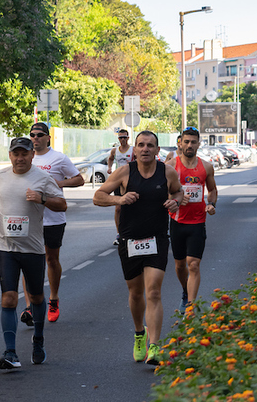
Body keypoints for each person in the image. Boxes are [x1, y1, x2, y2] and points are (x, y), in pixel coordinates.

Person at [93, 130, 184, 367]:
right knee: (135, 293)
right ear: (134, 150)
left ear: (157, 150)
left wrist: (175, 201)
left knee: (153, 290)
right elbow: (98, 196)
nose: (145, 149)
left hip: (157, 238)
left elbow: (178, 191)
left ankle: (155, 345)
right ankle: (139, 333)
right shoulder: (125, 172)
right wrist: (119, 199)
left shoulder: (167, 172)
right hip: (130, 240)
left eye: (150, 145)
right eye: (141, 145)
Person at [0, 136, 66, 370]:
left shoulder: (43, 178)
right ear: (10, 155)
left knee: (37, 296)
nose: (20, 158)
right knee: (8, 298)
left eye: (24, 153)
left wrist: (42, 198)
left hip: (33, 249)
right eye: (16, 153)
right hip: (6, 248)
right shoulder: (1, 175)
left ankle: (38, 340)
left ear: (32, 155)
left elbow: (62, 205)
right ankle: (10, 352)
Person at [19, 121, 84, 326]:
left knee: (51, 259)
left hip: (53, 218)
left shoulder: (58, 158)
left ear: (48, 137)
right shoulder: (24, 157)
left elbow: (79, 179)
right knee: (26, 261)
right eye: (32, 135)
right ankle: (29, 305)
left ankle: (53, 299)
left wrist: (59, 183)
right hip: (28, 218)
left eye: (39, 135)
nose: (35, 138)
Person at [169, 127, 217, 313]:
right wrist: (176, 199)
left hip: (197, 222)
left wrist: (212, 204)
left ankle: (190, 305)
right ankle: (184, 290)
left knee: (194, 264)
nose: (189, 145)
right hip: (177, 222)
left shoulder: (206, 167)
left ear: (199, 144)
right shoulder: (171, 165)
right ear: (180, 142)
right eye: (186, 141)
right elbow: (163, 191)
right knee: (180, 265)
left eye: (193, 142)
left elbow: (212, 190)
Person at [108, 128, 135, 246]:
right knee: (118, 208)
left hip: (130, 180)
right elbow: (110, 158)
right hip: (119, 181)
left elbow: (140, 161)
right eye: (120, 137)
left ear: (128, 138)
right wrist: (109, 168)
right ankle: (119, 234)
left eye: (125, 137)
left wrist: (134, 166)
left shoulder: (133, 150)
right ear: (118, 139)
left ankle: (132, 231)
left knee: (132, 207)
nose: (122, 140)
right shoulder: (115, 150)